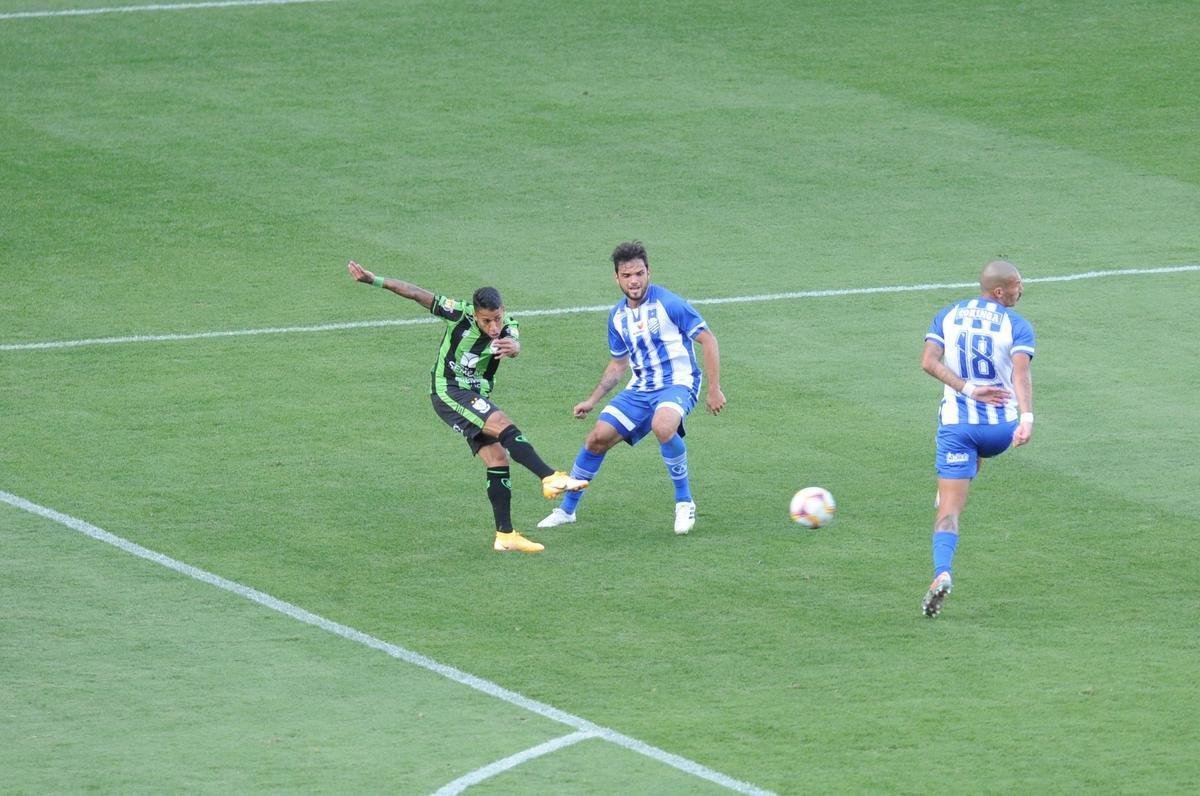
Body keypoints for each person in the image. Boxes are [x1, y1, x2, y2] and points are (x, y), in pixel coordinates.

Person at [347, 260, 587, 553]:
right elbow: (415, 293)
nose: (493, 326)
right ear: (475, 315)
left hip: (475, 396)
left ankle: (505, 535)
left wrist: (514, 348)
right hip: (448, 391)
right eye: (487, 321)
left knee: (498, 458)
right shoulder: (457, 313)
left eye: (497, 318)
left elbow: (514, 344)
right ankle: (549, 476)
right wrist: (375, 280)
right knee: (503, 424)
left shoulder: (508, 326)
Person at [538, 241, 726, 535]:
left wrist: (714, 389)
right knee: (596, 439)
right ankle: (566, 510)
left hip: (678, 382)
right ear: (617, 278)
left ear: (649, 272)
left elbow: (708, 340)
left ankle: (684, 501)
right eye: (627, 276)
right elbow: (617, 365)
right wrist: (592, 399)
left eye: (639, 273)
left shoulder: (669, 303)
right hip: (640, 388)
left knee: (663, 426)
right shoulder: (617, 316)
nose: (634, 281)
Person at [920, 259, 1035, 617]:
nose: (1021, 289)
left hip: (957, 428)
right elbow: (1020, 375)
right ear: (999, 291)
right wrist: (1026, 419)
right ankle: (967, 470)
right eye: (1016, 284)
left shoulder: (949, 314)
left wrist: (968, 389)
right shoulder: (1016, 325)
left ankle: (942, 572)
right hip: (1000, 430)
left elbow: (929, 362)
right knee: (977, 455)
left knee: (949, 510)